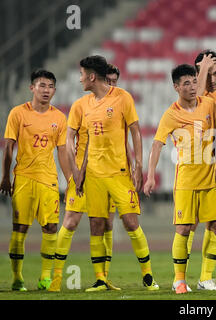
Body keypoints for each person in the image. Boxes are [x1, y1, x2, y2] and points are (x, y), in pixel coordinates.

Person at [143, 64, 216, 294]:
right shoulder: (171, 114)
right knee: (184, 228)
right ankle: (179, 281)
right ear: (176, 87)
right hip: (186, 181)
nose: (192, 87)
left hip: (210, 177)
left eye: (193, 81)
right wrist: (150, 175)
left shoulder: (208, 105)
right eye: (186, 83)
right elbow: (157, 145)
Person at [72, 55, 158, 292]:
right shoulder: (84, 104)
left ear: (91, 76)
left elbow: (136, 131)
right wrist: (80, 172)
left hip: (120, 173)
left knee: (131, 222)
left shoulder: (122, 97)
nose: (80, 79)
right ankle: (101, 279)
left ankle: (148, 275)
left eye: (82, 74)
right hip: (94, 175)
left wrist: (138, 164)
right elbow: (89, 142)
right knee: (96, 225)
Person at [48, 64, 124, 292]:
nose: (111, 84)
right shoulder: (82, 105)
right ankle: (56, 277)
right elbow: (68, 143)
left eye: (114, 81)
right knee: (70, 221)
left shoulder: (119, 104)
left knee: (108, 223)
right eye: (108, 80)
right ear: (99, 79)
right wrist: (74, 175)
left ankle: (104, 278)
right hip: (83, 175)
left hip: (107, 174)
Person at [1, 69, 71, 291]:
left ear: (55, 90)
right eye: (42, 85)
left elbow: (62, 152)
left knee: (51, 227)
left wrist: (69, 179)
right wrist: (5, 176)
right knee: (19, 228)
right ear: (32, 88)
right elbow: (9, 147)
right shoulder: (18, 114)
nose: (46, 90)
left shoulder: (59, 118)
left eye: (50, 86)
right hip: (22, 178)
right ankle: (17, 278)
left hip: (48, 180)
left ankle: (45, 277)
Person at [177, 50, 216, 291]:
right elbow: (198, 98)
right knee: (188, 224)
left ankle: (205, 277)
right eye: (207, 74)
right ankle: (181, 278)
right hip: (195, 165)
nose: (213, 79)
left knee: (215, 222)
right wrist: (201, 70)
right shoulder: (195, 98)